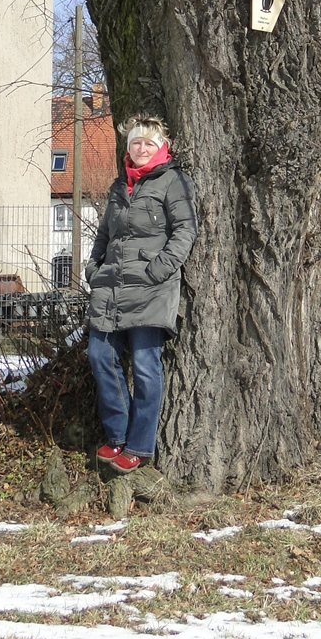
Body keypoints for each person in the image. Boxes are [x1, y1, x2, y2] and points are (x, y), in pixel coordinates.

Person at [82, 113, 197, 475]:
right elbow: (105, 234)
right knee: (100, 355)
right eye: (136, 142)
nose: (142, 148)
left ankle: (139, 445)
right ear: (128, 147)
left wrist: (157, 270)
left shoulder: (172, 181)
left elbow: (185, 230)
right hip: (111, 286)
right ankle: (116, 434)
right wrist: (92, 268)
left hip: (150, 288)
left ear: (162, 147)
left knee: (147, 367)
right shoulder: (120, 186)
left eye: (149, 142)